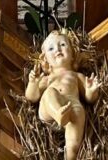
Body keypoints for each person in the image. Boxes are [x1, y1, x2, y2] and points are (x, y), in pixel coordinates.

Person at [25, 30, 101, 160]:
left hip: (71, 107)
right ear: (46, 59)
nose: (58, 49)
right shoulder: (47, 78)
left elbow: (89, 99)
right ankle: (58, 113)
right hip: (50, 112)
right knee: (50, 93)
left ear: (72, 54)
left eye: (63, 45)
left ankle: (71, 153)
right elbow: (32, 98)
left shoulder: (76, 76)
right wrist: (33, 83)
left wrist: (91, 90)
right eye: (51, 48)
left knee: (78, 112)